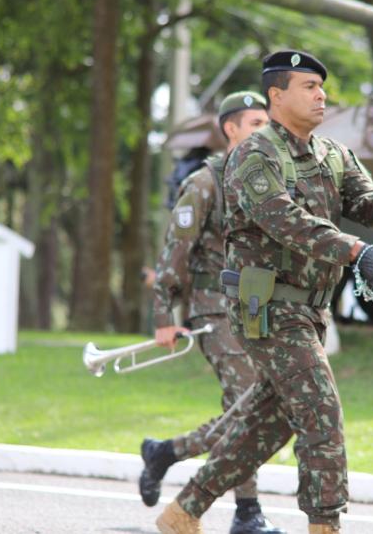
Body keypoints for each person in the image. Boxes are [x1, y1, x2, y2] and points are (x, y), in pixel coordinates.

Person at [155, 50, 373, 534]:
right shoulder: (254, 155)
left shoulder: (333, 154)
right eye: (309, 86)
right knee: (320, 411)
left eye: (321, 86)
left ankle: (184, 511)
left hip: (311, 311)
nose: (322, 95)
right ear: (277, 95)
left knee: (266, 422)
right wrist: (359, 252)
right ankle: (325, 525)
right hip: (266, 308)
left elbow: (362, 201)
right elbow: (284, 220)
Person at [144, 91, 285, 534]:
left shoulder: (268, 181)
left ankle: (167, 451)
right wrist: (165, 314)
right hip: (216, 312)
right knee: (244, 408)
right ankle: (247, 513)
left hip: (261, 311)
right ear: (232, 129)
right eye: (257, 123)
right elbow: (175, 251)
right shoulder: (206, 183)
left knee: (259, 409)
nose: (267, 131)